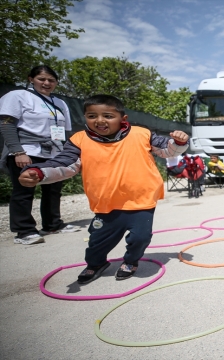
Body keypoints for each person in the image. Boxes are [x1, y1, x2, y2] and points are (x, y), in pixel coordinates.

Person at [18, 94, 189, 283]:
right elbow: (65, 164)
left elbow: (167, 150)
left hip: (141, 200)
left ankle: (131, 261)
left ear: (123, 119)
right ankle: (96, 264)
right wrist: (39, 173)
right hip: (105, 203)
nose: (99, 120)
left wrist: (179, 142)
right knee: (98, 240)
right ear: (85, 117)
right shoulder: (79, 140)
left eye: (108, 116)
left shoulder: (142, 134)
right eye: (92, 116)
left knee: (140, 238)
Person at [0, 65, 81, 245]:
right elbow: (6, 124)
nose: (46, 83)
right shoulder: (17, 96)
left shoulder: (59, 103)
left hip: (54, 152)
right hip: (27, 150)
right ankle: (24, 231)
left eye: (51, 80)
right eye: (42, 79)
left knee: (53, 190)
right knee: (24, 190)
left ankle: (53, 224)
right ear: (31, 79)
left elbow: (64, 130)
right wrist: (18, 151)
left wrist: (66, 153)